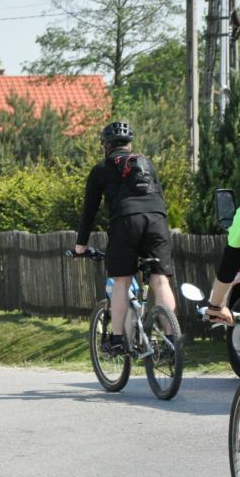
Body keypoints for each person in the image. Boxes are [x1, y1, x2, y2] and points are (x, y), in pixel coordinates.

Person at [74, 121, 176, 355]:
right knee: (160, 282)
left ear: (106, 146)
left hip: (126, 222)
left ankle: (118, 340)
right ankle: (172, 341)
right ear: (129, 145)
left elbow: (89, 210)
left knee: (121, 282)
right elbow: (160, 198)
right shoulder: (147, 163)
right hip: (157, 220)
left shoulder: (101, 169)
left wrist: (80, 245)